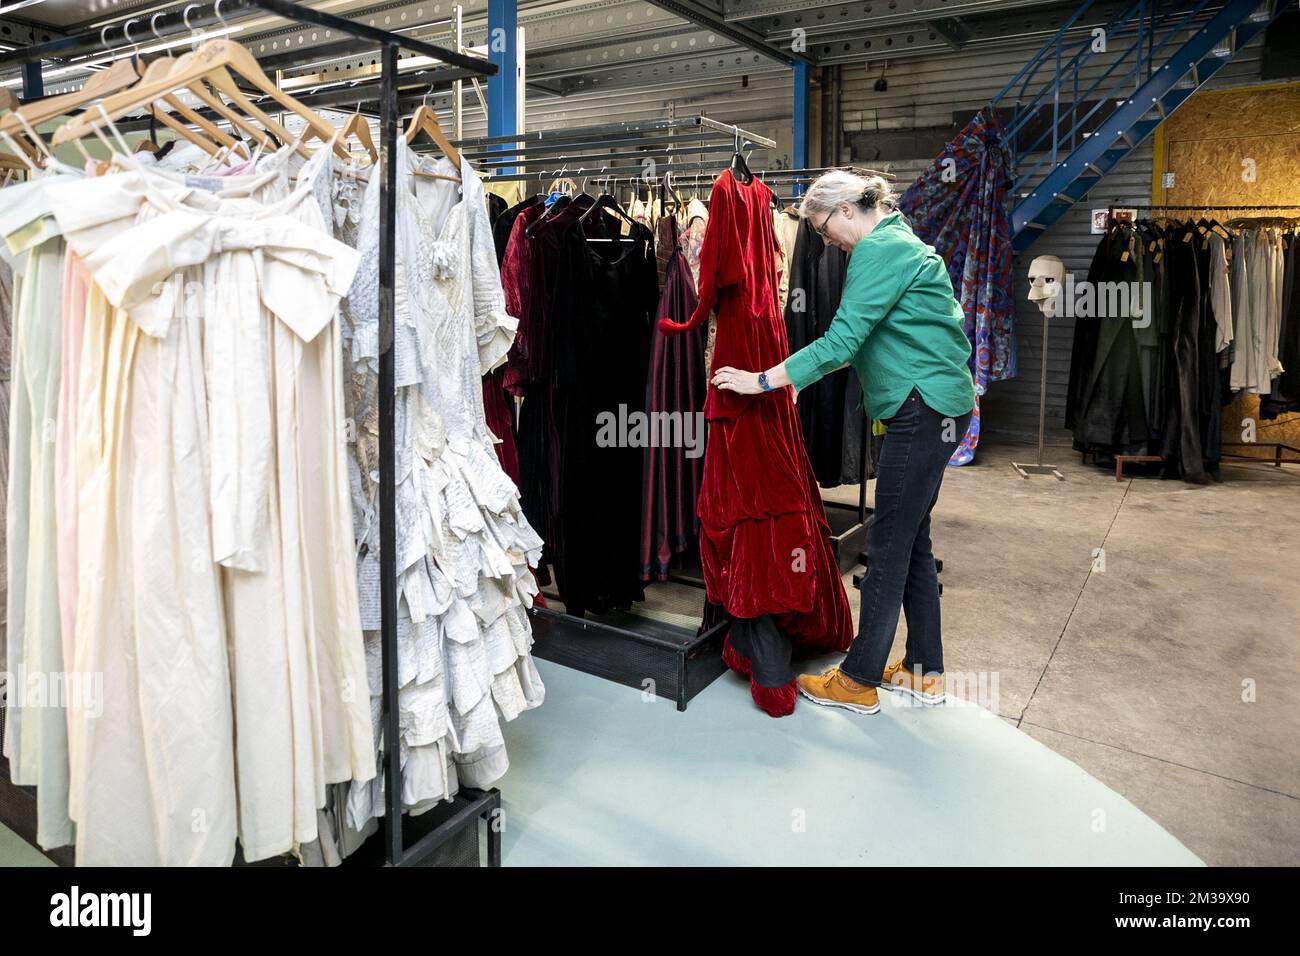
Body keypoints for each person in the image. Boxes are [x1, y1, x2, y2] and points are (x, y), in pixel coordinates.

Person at [712, 170, 975, 716]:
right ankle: (924, 671)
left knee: (886, 548)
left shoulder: (878, 251)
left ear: (847, 210)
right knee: (912, 540)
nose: (824, 241)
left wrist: (761, 380)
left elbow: (841, 342)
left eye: (823, 228)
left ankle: (857, 680)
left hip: (921, 409)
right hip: (937, 407)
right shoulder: (900, 241)